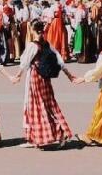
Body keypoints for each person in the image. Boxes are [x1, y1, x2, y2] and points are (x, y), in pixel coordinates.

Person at [15, 20, 80, 149]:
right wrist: (69, 74)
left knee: (36, 106)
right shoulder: (46, 44)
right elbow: (59, 59)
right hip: (45, 78)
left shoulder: (33, 46)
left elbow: (24, 62)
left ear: (32, 30)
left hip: (35, 77)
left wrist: (17, 76)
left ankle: (58, 133)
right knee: (48, 104)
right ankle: (35, 138)